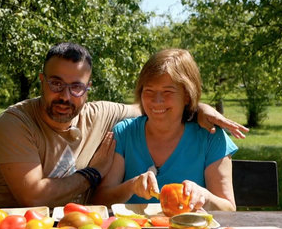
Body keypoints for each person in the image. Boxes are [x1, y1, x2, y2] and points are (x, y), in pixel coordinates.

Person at [0, 43, 248, 208]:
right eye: (56, 83)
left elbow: (158, 109)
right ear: (41, 81)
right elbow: (33, 197)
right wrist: (92, 174)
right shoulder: (15, 123)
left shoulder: (102, 114)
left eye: (77, 86)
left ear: (88, 89)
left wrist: (200, 108)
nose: (66, 96)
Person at [92, 48, 237, 211]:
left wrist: (205, 196)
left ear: (187, 95)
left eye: (167, 91)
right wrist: (132, 186)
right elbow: (99, 200)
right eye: (149, 91)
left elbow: (229, 209)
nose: (157, 100)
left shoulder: (211, 136)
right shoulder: (124, 133)